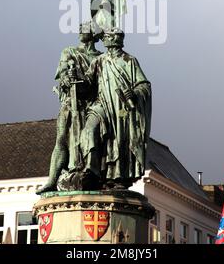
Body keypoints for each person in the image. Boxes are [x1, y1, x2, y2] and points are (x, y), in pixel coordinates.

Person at [80, 28, 152, 189]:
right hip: (102, 106)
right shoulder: (99, 61)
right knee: (89, 130)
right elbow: (87, 84)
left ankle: (117, 176)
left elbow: (144, 85)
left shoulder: (129, 61)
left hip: (122, 110)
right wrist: (73, 82)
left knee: (120, 141)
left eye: (108, 37)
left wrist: (134, 92)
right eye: (107, 37)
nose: (105, 39)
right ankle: (90, 170)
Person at [38, 21, 101, 193]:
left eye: (85, 29)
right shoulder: (69, 52)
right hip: (70, 102)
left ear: (94, 34)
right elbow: (63, 72)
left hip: (91, 104)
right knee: (61, 139)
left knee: (89, 138)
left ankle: (89, 172)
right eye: (80, 28)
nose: (80, 31)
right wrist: (66, 77)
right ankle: (52, 180)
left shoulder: (100, 58)